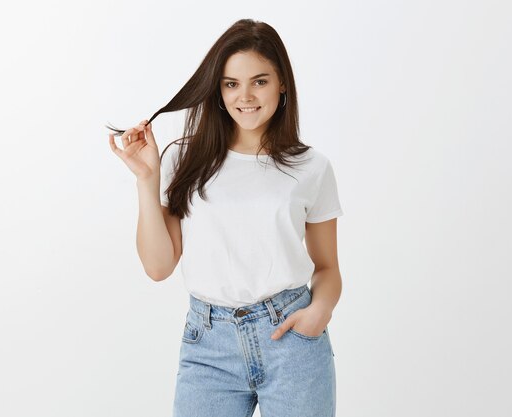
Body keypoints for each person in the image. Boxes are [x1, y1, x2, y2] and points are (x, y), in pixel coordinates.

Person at [108, 18, 343, 417]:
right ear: (217, 89)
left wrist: (319, 313)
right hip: (209, 346)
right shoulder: (186, 159)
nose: (245, 96)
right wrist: (147, 181)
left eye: (260, 81)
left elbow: (328, 269)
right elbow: (158, 266)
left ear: (282, 83)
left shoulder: (311, 168)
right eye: (231, 83)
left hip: (291, 339)